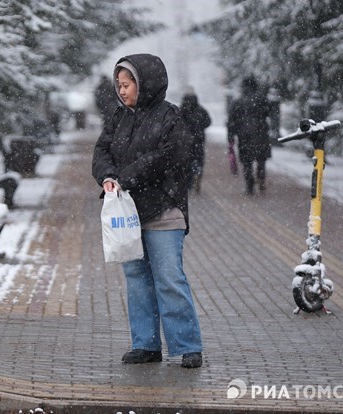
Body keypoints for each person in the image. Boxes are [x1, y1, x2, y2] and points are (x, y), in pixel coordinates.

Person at [92, 54, 203, 368]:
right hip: (128, 215)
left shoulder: (172, 117)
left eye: (127, 85)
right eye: (119, 85)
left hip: (164, 210)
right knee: (137, 280)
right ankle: (146, 345)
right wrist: (108, 177)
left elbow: (170, 157)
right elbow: (101, 151)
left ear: (146, 84)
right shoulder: (118, 117)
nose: (122, 91)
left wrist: (127, 176)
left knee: (169, 279)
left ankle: (188, 345)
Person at [227, 76, 271, 195]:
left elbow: (231, 121)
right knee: (261, 160)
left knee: (247, 161)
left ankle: (249, 185)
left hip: (244, 136)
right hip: (260, 134)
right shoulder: (262, 99)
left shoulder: (238, 102)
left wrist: (231, 136)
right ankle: (261, 177)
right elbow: (269, 112)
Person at [180, 90, 212, 193]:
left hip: (185, 141)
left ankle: (189, 182)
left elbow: (175, 123)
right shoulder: (200, 110)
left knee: (186, 161)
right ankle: (197, 174)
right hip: (199, 140)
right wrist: (200, 128)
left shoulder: (181, 110)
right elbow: (208, 121)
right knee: (198, 159)